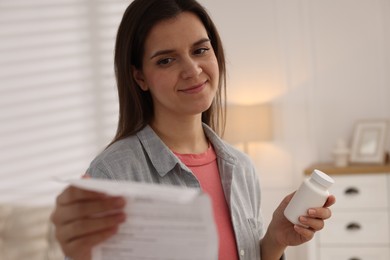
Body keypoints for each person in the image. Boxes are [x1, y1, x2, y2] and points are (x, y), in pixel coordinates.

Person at [50, 0, 336, 259]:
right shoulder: (113, 175)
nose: (192, 70)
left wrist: (274, 240)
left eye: (200, 50)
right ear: (139, 77)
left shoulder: (241, 169)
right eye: (166, 60)